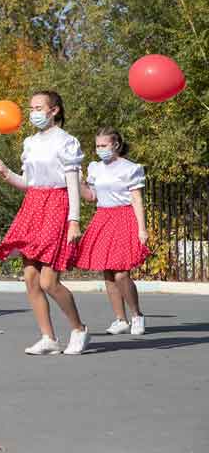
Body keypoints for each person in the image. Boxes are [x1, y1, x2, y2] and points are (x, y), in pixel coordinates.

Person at [0, 90, 90, 356]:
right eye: (30, 107)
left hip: (57, 207)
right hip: (33, 206)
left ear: (54, 110)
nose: (32, 112)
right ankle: (48, 337)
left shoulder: (66, 142)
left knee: (49, 281)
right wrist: (4, 171)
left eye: (38, 107)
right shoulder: (30, 142)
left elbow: (72, 185)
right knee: (31, 278)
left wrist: (74, 221)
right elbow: (28, 183)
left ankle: (78, 328)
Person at [77, 127, 149, 335]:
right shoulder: (95, 168)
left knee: (121, 273)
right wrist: (78, 181)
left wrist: (141, 229)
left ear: (115, 145)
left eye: (104, 145)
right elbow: (91, 196)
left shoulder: (130, 168)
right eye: (97, 146)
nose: (100, 149)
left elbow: (136, 199)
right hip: (103, 217)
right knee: (108, 274)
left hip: (124, 218)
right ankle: (120, 319)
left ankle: (137, 315)